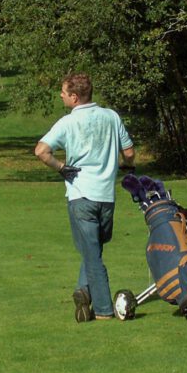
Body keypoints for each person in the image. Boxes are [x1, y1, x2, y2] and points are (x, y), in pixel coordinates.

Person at [35, 72, 135, 322]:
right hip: (106, 197)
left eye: (64, 92)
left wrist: (60, 167)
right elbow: (130, 152)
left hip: (80, 195)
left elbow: (41, 151)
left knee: (92, 253)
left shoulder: (68, 122)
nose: (61, 95)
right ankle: (83, 292)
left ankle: (101, 309)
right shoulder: (111, 116)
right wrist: (126, 166)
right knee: (94, 249)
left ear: (75, 97)